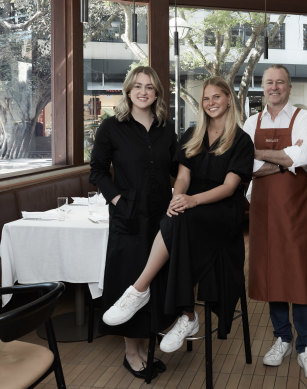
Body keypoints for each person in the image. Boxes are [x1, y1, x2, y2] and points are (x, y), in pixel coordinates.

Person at [101, 76, 254, 356]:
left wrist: (190, 200)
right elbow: (182, 176)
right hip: (192, 206)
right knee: (176, 219)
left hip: (222, 210)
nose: (210, 103)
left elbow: (230, 187)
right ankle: (187, 316)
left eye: (216, 97)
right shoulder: (192, 135)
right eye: (206, 99)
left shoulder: (242, 140)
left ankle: (139, 288)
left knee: (179, 222)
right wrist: (177, 199)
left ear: (229, 99)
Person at [90, 66, 178, 379]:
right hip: (127, 217)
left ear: (157, 93)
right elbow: (97, 170)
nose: (143, 92)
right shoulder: (112, 127)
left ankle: (145, 345)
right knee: (129, 281)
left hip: (160, 216)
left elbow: (180, 168)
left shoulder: (166, 128)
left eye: (150, 87)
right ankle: (131, 351)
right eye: (138, 86)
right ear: (128, 90)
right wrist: (117, 201)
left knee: (152, 281)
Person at [244, 64, 307, 380]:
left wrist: (262, 155)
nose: (275, 87)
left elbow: (303, 158)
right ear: (262, 87)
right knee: (272, 272)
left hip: (296, 207)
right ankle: (282, 338)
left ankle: (305, 346)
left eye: (281, 82)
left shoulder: (302, 117)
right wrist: (283, 161)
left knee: (299, 271)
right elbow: (244, 164)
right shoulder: (251, 122)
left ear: (289, 87)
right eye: (269, 82)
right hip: (262, 208)